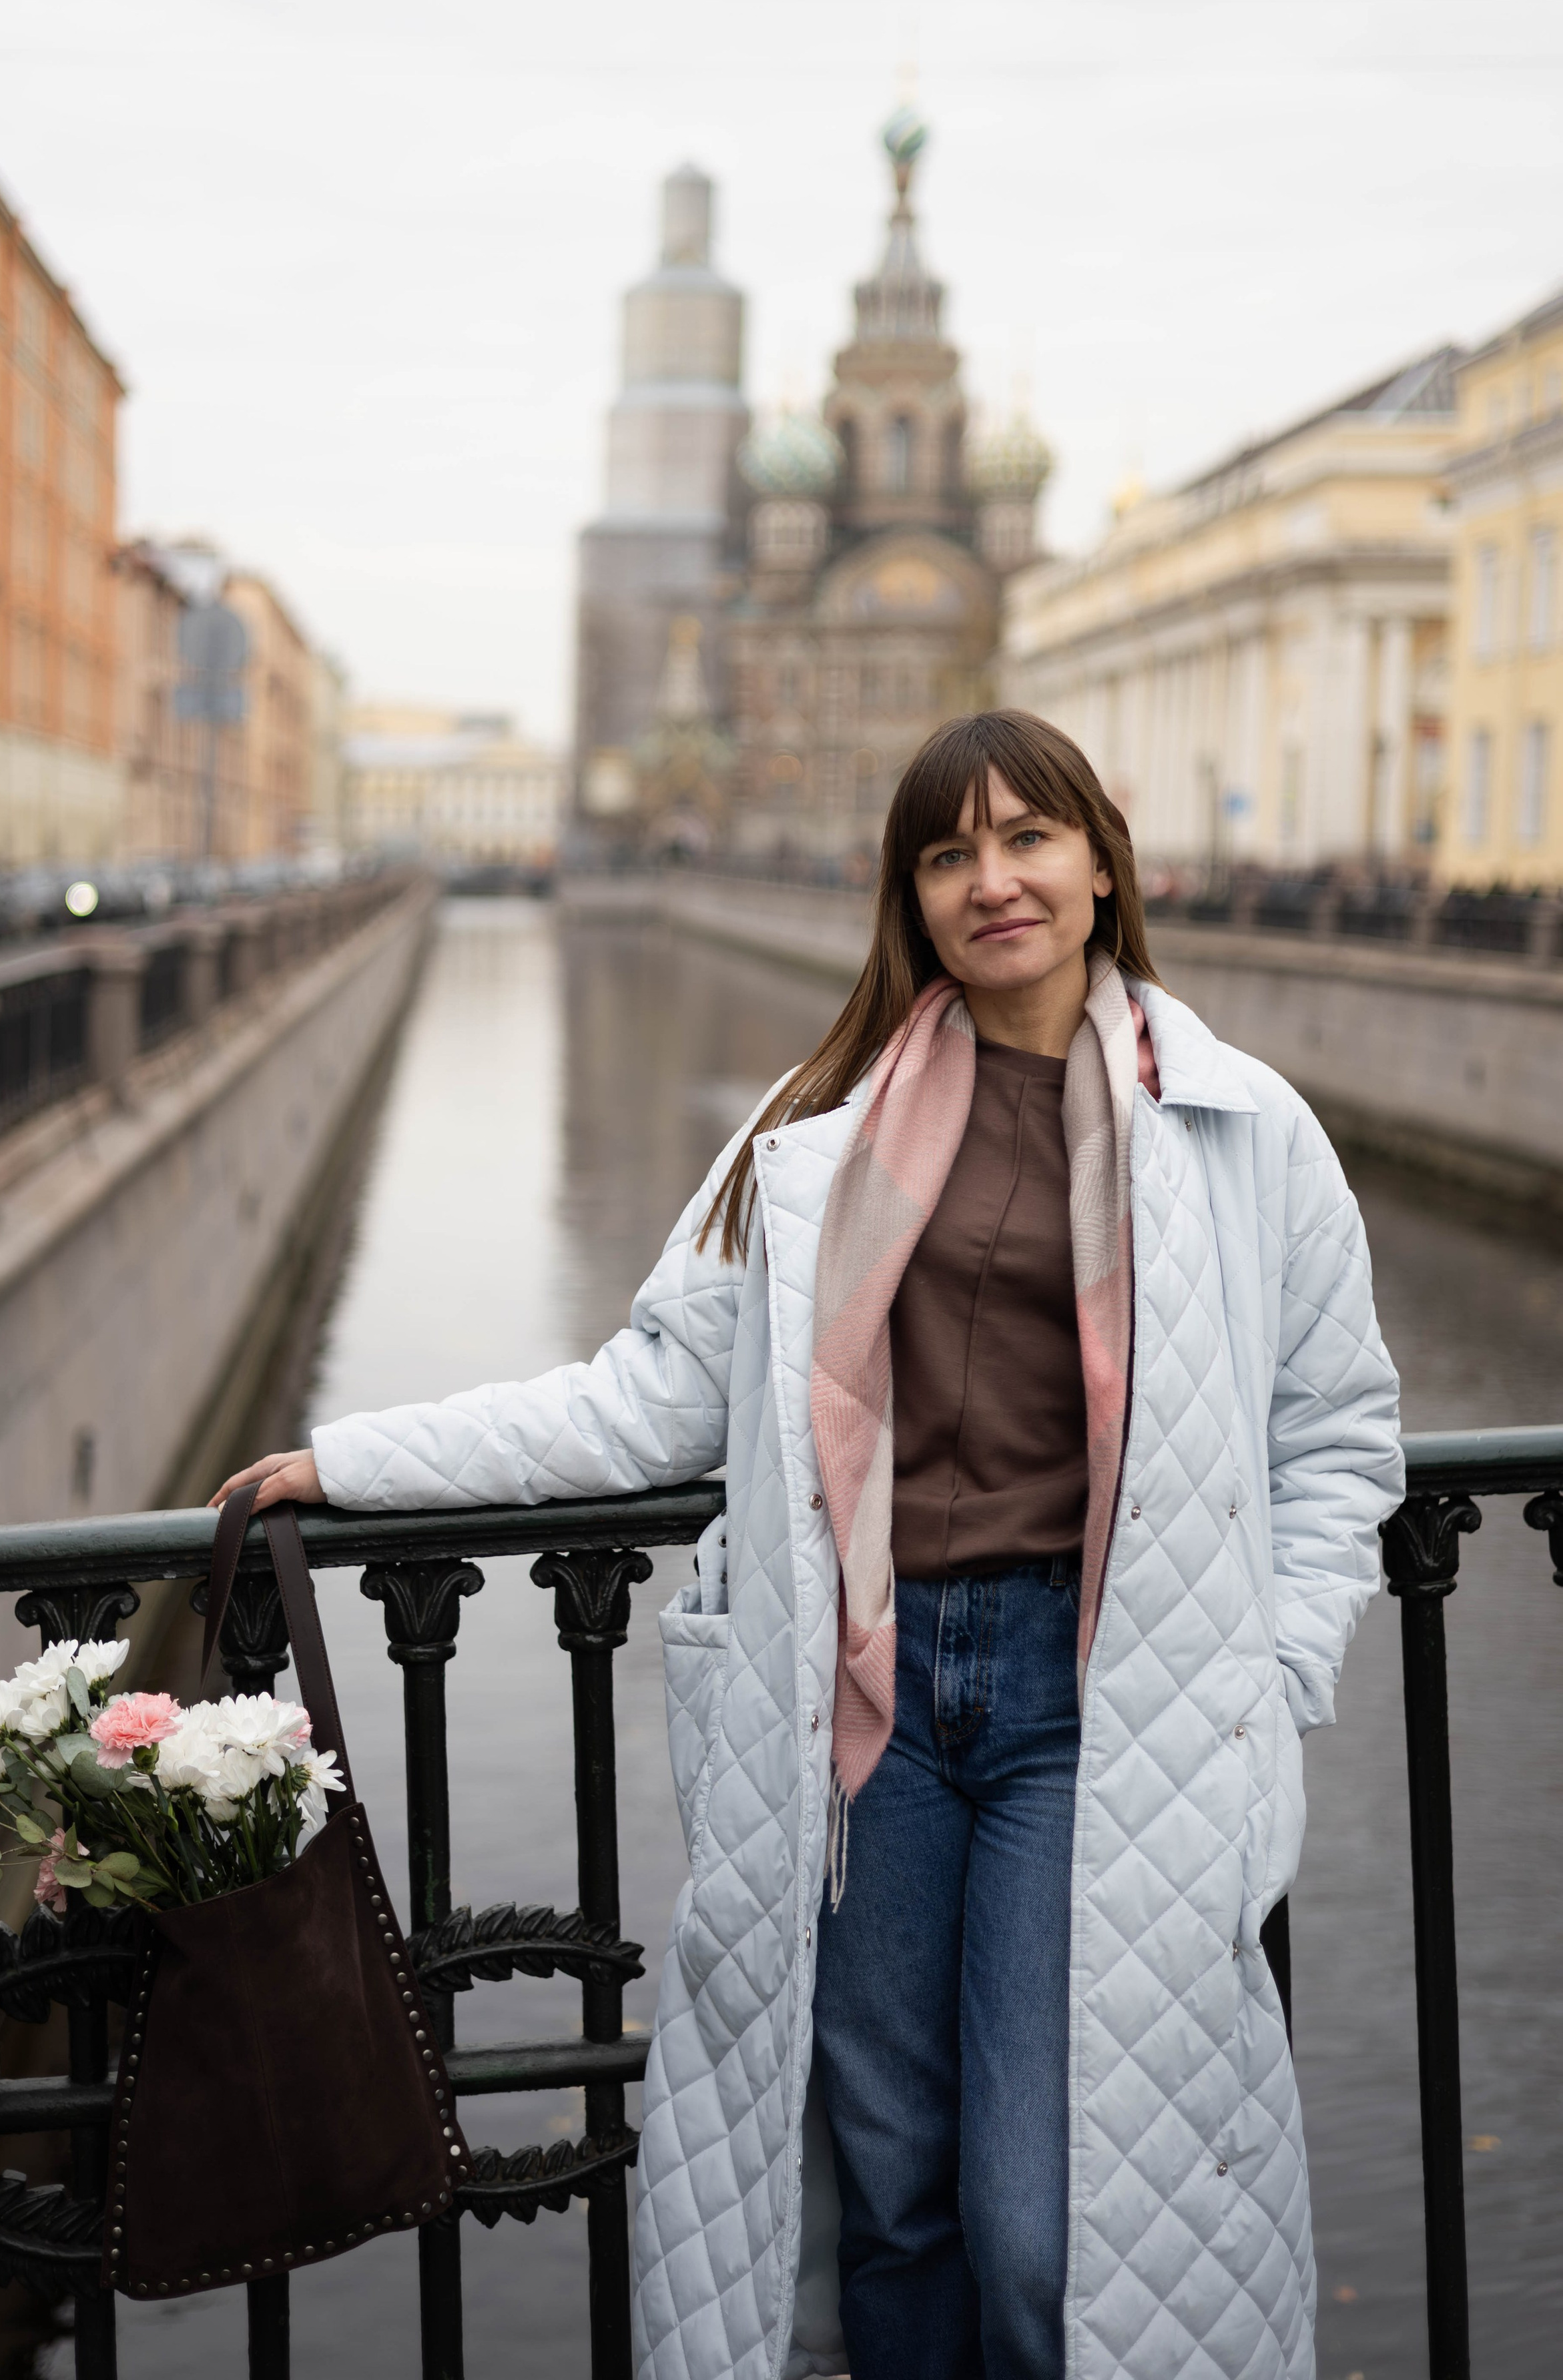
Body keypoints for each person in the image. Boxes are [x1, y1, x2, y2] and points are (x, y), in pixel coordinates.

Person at [217, 709, 1403, 2380]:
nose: (992, 881)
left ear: (1099, 861)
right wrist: (348, 1462)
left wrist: (1272, 1667)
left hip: (1102, 1712)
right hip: (868, 1713)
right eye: (946, 853)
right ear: (907, 897)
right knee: (896, 2193)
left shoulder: (1233, 1124)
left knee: (1040, 2222)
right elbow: (647, 1403)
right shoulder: (818, 1129)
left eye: (1026, 839)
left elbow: (1336, 1428)